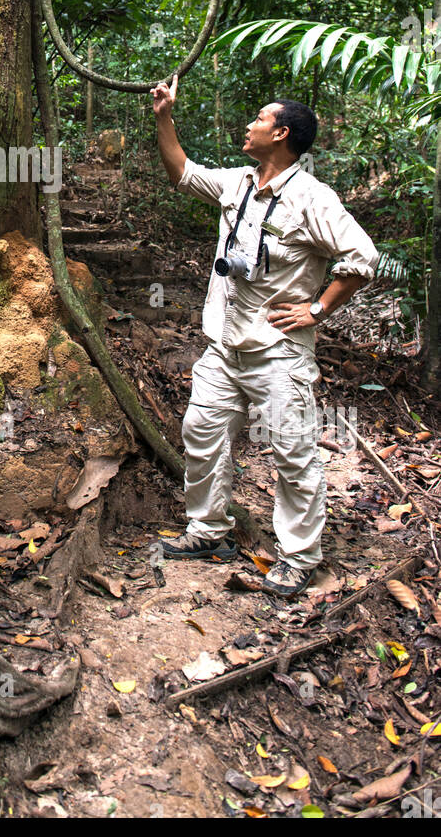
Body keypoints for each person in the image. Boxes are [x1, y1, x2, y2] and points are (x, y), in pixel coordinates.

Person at [152, 76, 379, 598]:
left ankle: (299, 559)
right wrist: (165, 116)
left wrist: (317, 309)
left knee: (292, 452)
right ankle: (208, 532)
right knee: (201, 434)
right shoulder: (237, 182)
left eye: (258, 119)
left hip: (277, 352)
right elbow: (182, 172)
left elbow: (363, 258)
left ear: (281, 134)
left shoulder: (311, 197)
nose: (248, 126)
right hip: (225, 345)